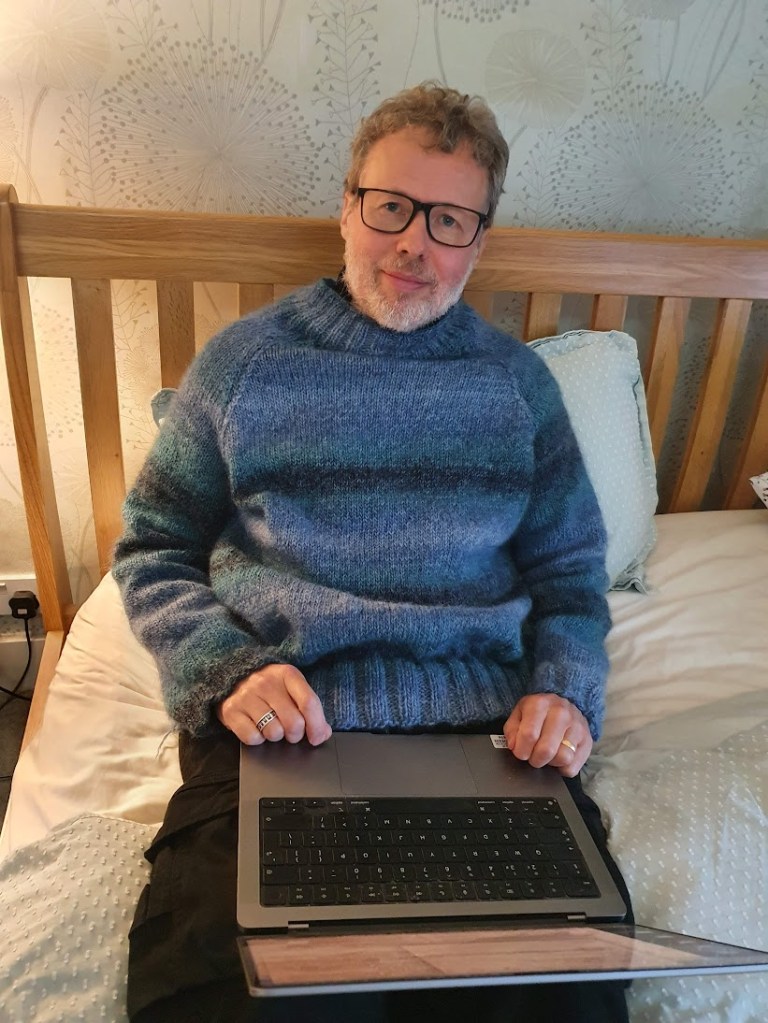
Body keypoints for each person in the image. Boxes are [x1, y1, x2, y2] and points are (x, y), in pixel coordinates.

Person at [113, 82, 631, 1023]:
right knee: (225, 996)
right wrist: (223, 667)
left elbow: (570, 574)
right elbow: (154, 545)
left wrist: (565, 686)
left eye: (448, 220)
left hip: (485, 742)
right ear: (348, 208)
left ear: (478, 240)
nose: (413, 244)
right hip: (279, 733)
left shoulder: (518, 388)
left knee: (556, 1000)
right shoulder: (244, 364)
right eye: (391, 205)